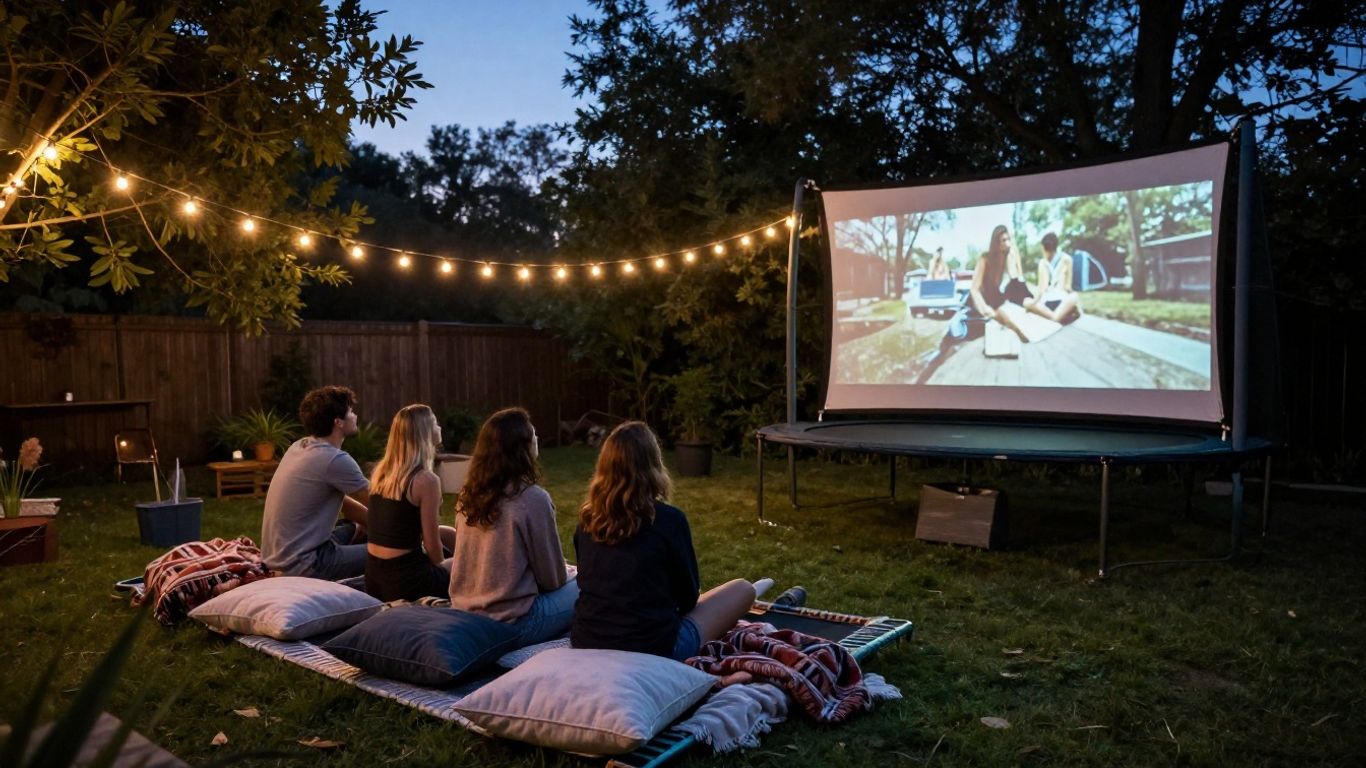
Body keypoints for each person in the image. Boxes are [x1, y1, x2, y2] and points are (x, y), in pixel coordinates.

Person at [571, 421, 760, 662]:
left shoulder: (587, 522)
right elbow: (688, 597)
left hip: (587, 641)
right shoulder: (669, 521)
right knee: (743, 589)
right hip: (653, 647)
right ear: (653, 465)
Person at [448, 407, 578, 645]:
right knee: (585, 585)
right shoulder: (532, 499)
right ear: (522, 447)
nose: (537, 439)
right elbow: (553, 580)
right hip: (515, 622)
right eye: (534, 435)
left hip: (466, 612)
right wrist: (570, 573)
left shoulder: (469, 495)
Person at [260, 386, 370, 580]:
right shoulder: (334, 460)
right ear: (338, 422)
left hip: (279, 558)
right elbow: (381, 505)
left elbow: (344, 503)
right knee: (397, 552)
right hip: (306, 563)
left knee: (358, 527)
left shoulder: (299, 447)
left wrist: (369, 523)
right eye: (351, 411)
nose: (355, 415)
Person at [364, 404, 458, 602]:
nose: (439, 427)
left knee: (448, 533)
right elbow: (432, 545)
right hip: (405, 583)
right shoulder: (426, 480)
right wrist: (441, 572)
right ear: (424, 432)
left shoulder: (381, 473)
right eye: (435, 423)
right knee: (467, 563)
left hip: (374, 578)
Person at [968, 224, 1031, 341]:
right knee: (1001, 315)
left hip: (995, 299)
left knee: (1013, 311)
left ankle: (1021, 333)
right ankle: (1020, 334)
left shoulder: (1008, 258)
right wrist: (984, 308)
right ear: (996, 243)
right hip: (980, 300)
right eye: (1003, 240)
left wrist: (1015, 256)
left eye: (1008, 240)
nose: (1007, 243)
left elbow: (1018, 280)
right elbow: (974, 289)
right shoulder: (985, 258)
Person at [1026, 231, 1081, 323]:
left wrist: (1032, 303)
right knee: (1075, 296)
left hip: (1047, 303)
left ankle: (1053, 317)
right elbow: (1068, 287)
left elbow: (1042, 289)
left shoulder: (1042, 263)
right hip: (1062, 301)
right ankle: (1058, 316)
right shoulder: (1067, 259)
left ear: (1043, 247)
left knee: (1027, 301)